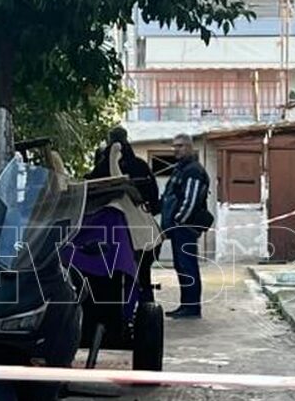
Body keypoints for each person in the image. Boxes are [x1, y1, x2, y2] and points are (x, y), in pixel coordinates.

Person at [161, 133, 212, 319]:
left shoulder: (193, 171)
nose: (176, 149)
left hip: (185, 228)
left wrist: (177, 221)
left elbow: (190, 201)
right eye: (174, 146)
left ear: (190, 147)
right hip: (179, 228)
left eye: (180, 146)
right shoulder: (180, 169)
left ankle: (192, 308)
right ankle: (186, 306)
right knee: (181, 266)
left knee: (187, 266)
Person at [87, 126, 160, 214]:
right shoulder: (140, 164)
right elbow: (153, 191)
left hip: (106, 209)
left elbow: (91, 180)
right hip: (133, 211)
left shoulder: (103, 164)